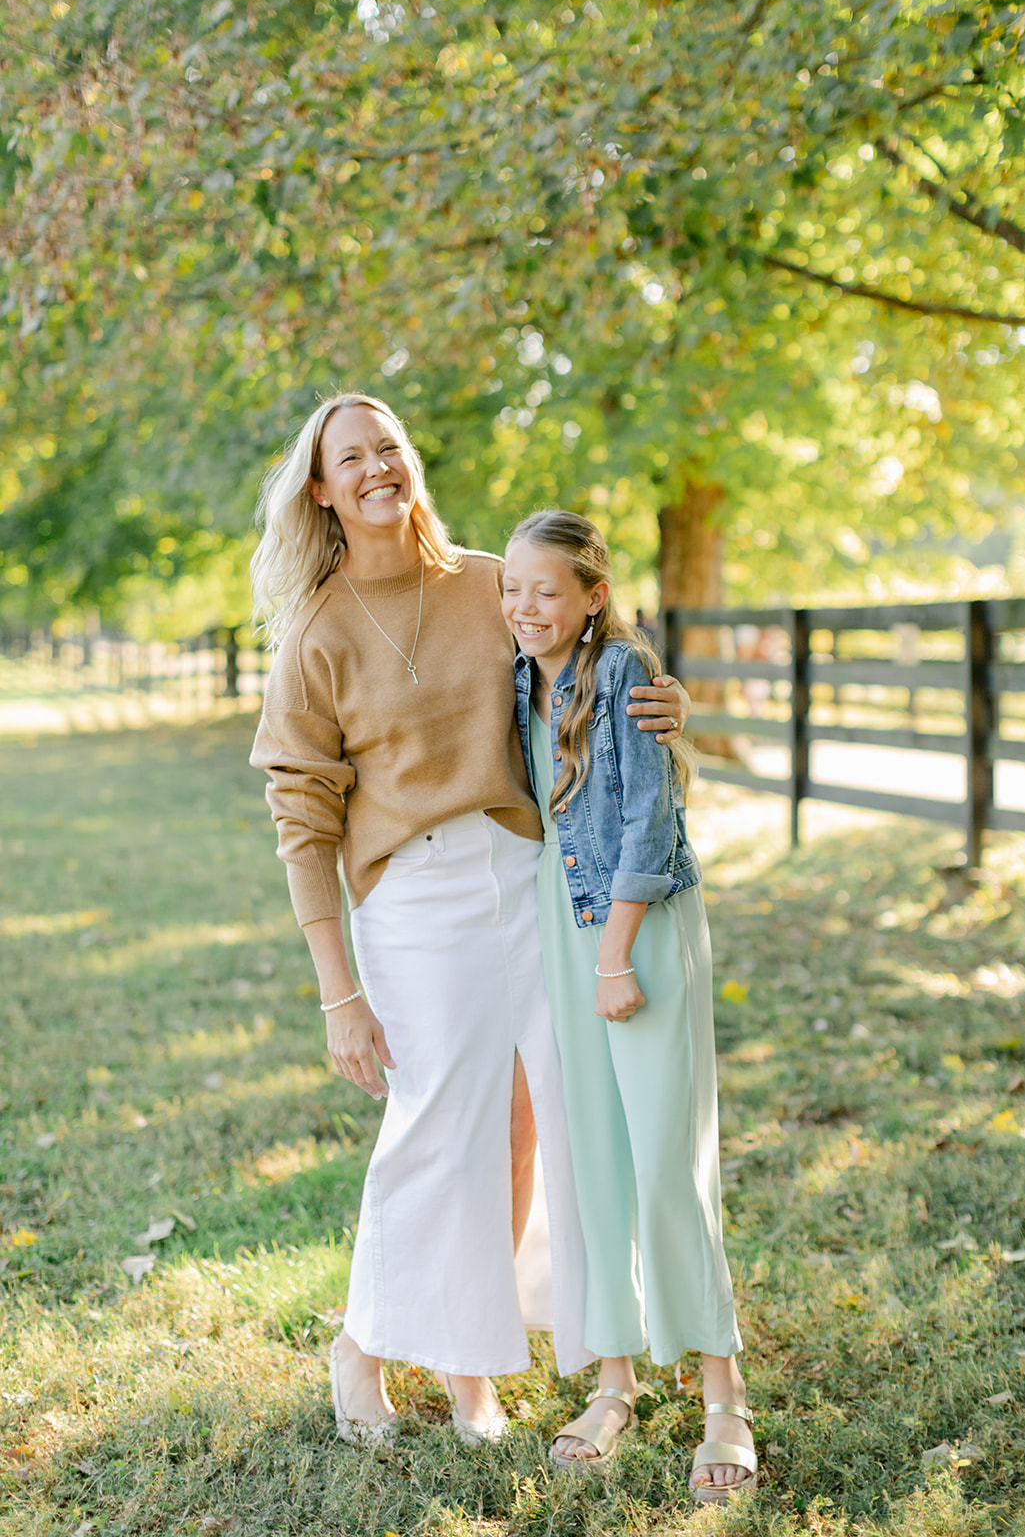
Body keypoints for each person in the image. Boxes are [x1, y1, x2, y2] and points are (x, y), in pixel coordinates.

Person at [248, 393, 689, 1445]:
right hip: (412, 899)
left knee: (544, 1114)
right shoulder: (314, 633)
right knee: (437, 1124)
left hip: (529, 871)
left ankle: (474, 1359)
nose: (373, 468)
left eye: (387, 447)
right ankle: (363, 1343)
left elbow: (593, 657)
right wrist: (337, 993)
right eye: (348, 458)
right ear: (320, 489)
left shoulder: (493, 582)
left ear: (410, 463)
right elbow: (301, 826)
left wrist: (661, 700)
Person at [502, 509, 757, 1504]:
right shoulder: (523, 666)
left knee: (662, 1163)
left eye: (548, 591)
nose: (525, 607)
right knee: (591, 1159)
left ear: (594, 595)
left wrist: (614, 956)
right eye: (513, 590)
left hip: (632, 930)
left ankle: (721, 1394)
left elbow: (648, 826)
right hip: (563, 931)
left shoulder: (619, 674)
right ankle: (613, 1380)